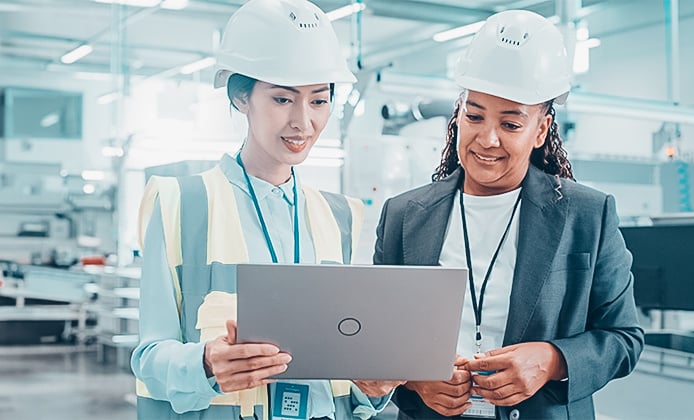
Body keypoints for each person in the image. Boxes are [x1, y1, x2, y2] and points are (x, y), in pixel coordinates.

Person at [131, 1, 400, 418]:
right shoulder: (180, 203)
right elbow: (149, 358)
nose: (303, 123)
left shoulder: (340, 216)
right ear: (241, 96)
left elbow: (343, 369)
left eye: (318, 101)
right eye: (282, 99)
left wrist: (372, 389)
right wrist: (204, 364)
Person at [373, 10, 644, 420]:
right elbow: (377, 334)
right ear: (458, 114)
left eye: (511, 123)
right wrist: (414, 377)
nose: (488, 139)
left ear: (540, 129)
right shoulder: (404, 215)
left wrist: (552, 359)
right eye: (474, 116)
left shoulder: (587, 215)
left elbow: (624, 337)